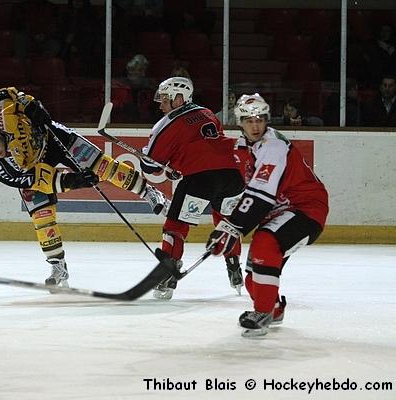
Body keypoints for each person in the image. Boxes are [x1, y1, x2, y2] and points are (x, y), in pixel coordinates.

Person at [0, 86, 168, 288]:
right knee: (41, 214)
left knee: (102, 165)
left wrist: (30, 105)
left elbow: (8, 93)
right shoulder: (2, 169)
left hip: (53, 137)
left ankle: (149, 192)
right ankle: (58, 265)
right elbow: (45, 180)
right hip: (35, 168)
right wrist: (76, 181)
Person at [206, 93, 328, 337]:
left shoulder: (273, 146)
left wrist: (233, 228)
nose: (255, 126)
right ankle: (273, 308)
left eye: (260, 120)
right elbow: (246, 192)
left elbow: (261, 195)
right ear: (240, 123)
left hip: (305, 208)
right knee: (254, 278)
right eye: (249, 121)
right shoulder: (243, 147)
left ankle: (262, 313)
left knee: (265, 242)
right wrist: (227, 225)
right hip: (280, 211)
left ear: (266, 120)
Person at [141, 77, 246, 300]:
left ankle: (167, 275)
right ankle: (234, 266)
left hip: (200, 180)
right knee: (226, 224)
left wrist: (145, 157)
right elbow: (205, 146)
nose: (161, 105)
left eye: (165, 100)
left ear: (179, 99)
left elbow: (151, 167)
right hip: (232, 177)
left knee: (175, 226)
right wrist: (177, 167)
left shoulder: (168, 123)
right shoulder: (207, 113)